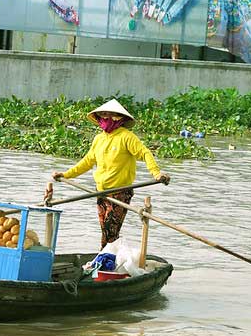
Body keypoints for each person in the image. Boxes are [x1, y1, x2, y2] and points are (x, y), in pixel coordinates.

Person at [52, 99, 170, 251]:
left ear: (118, 118)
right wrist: (66, 175)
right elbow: (87, 162)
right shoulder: (99, 139)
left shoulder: (127, 137)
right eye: (102, 115)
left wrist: (156, 173)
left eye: (109, 115)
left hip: (120, 192)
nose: (105, 118)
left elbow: (145, 153)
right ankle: (107, 257)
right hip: (101, 192)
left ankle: (105, 259)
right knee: (105, 231)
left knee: (110, 231)